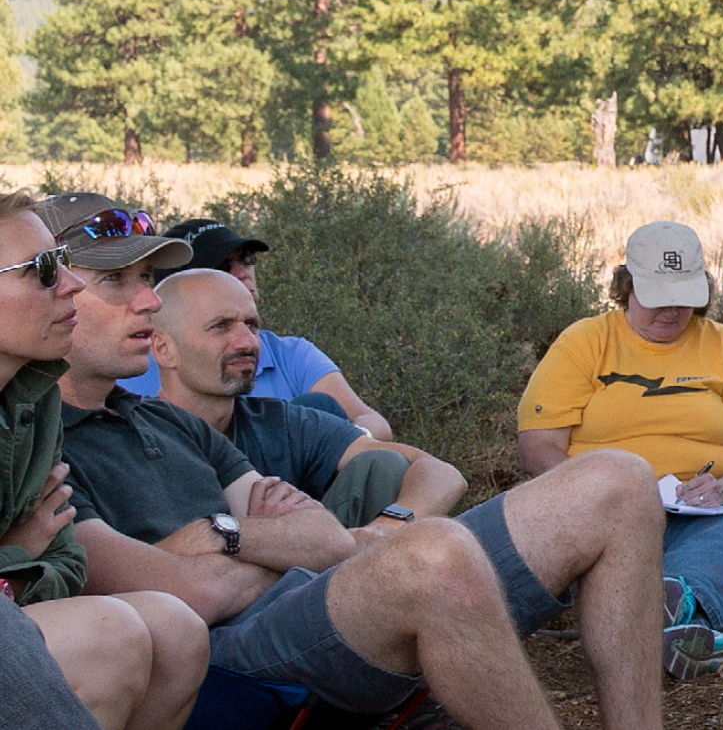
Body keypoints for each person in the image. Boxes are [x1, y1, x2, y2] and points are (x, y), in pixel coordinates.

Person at [46, 195, 664, 730]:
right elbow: (192, 597)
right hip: (239, 654)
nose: (148, 302)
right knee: (431, 554)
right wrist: (276, 547)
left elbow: (319, 535)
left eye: (148, 280)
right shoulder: (39, 444)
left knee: (619, 479)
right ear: (57, 292)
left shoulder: (168, 420)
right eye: (117, 282)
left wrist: (221, 535)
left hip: (319, 596)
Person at [519, 220, 723, 679]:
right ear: (627, 286)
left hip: (699, 504)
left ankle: (673, 610)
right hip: (603, 503)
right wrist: (589, 492)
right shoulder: (584, 342)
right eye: (659, 296)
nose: (673, 310)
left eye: (684, 296)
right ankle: (691, 625)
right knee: (616, 544)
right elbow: (539, 444)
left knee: (717, 531)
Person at [2, 191, 207, 730]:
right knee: (108, 635)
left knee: (175, 629)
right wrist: (18, 553)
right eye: (43, 269)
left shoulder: (33, 397)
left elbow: (67, 559)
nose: (68, 284)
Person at [146, 268, 466, 530]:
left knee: (384, 466)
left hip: (311, 589)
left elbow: (440, 472)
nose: (248, 342)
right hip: (201, 601)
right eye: (220, 327)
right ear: (163, 349)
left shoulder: (278, 423)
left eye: (252, 325)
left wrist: (382, 531)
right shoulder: (138, 441)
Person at [115, 217, 392, 440]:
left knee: (321, 409)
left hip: (297, 494)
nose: (243, 272)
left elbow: (372, 422)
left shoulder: (290, 354)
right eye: (223, 266)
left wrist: (335, 443)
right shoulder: (132, 367)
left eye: (247, 260)